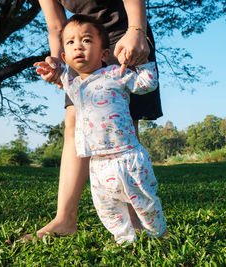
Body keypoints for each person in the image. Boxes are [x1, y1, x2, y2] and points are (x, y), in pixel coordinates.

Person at [24, 0, 163, 239]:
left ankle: (135, 221)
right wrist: (58, 62)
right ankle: (64, 219)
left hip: (124, 30)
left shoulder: (127, 34)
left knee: (119, 117)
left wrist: (137, 31)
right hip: (78, 37)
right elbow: (57, 27)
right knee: (73, 119)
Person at [61, 14, 167, 242]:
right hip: (97, 163)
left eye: (87, 40)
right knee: (108, 210)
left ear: (104, 53)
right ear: (65, 56)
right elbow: (61, 76)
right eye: (70, 42)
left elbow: (147, 84)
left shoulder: (115, 73)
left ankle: (160, 235)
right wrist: (52, 71)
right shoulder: (74, 84)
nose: (78, 46)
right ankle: (126, 242)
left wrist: (143, 60)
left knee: (145, 202)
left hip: (128, 157)